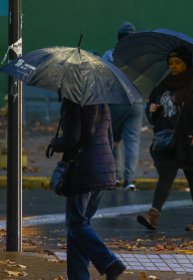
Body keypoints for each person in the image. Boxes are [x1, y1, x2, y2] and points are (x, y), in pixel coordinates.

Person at [136, 46, 193, 232]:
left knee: (192, 175)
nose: (173, 66)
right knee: (165, 175)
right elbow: (153, 109)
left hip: (190, 138)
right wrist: (152, 111)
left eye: (177, 63)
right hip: (168, 139)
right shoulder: (163, 85)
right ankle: (153, 215)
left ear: (186, 63)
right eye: (170, 63)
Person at [49, 98, 125, 280]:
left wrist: (55, 143)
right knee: (81, 226)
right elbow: (110, 138)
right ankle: (78, 276)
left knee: (76, 224)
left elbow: (72, 138)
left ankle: (110, 263)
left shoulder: (73, 101)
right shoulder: (102, 101)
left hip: (83, 168)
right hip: (103, 168)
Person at [102, 21, 144, 191]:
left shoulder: (109, 55)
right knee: (132, 142)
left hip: (114, 103)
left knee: (113, 139)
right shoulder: (141, 57)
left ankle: (115, 176)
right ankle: (130, 180)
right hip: (136, 103)